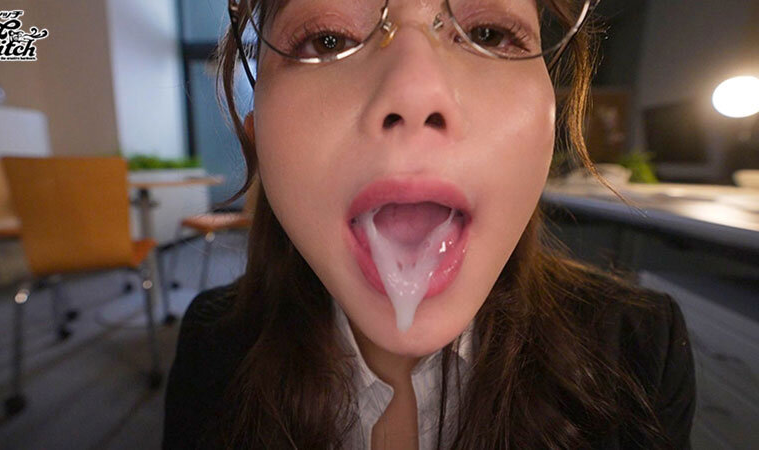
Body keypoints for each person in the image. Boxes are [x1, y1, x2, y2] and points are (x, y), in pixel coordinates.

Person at [163, 0, 695, 448]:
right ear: (257, 135)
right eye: (327, 40)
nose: (415, 92)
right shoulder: (213, 347)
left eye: (489, 35)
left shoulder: (640, 349)